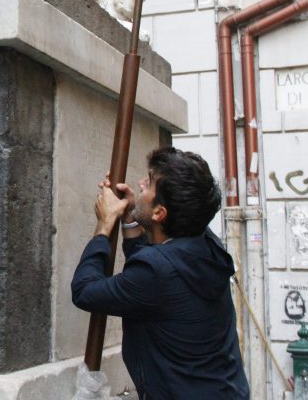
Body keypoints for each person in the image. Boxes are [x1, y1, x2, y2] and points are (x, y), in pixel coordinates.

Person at [70, 147, 249, 399]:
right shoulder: (206, 245)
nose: (141, 183)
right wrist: (130, 218)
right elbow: (152, 276)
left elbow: (85, 290)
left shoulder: (157, 271)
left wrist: (104, 223)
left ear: (159, 213)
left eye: (150, 181)